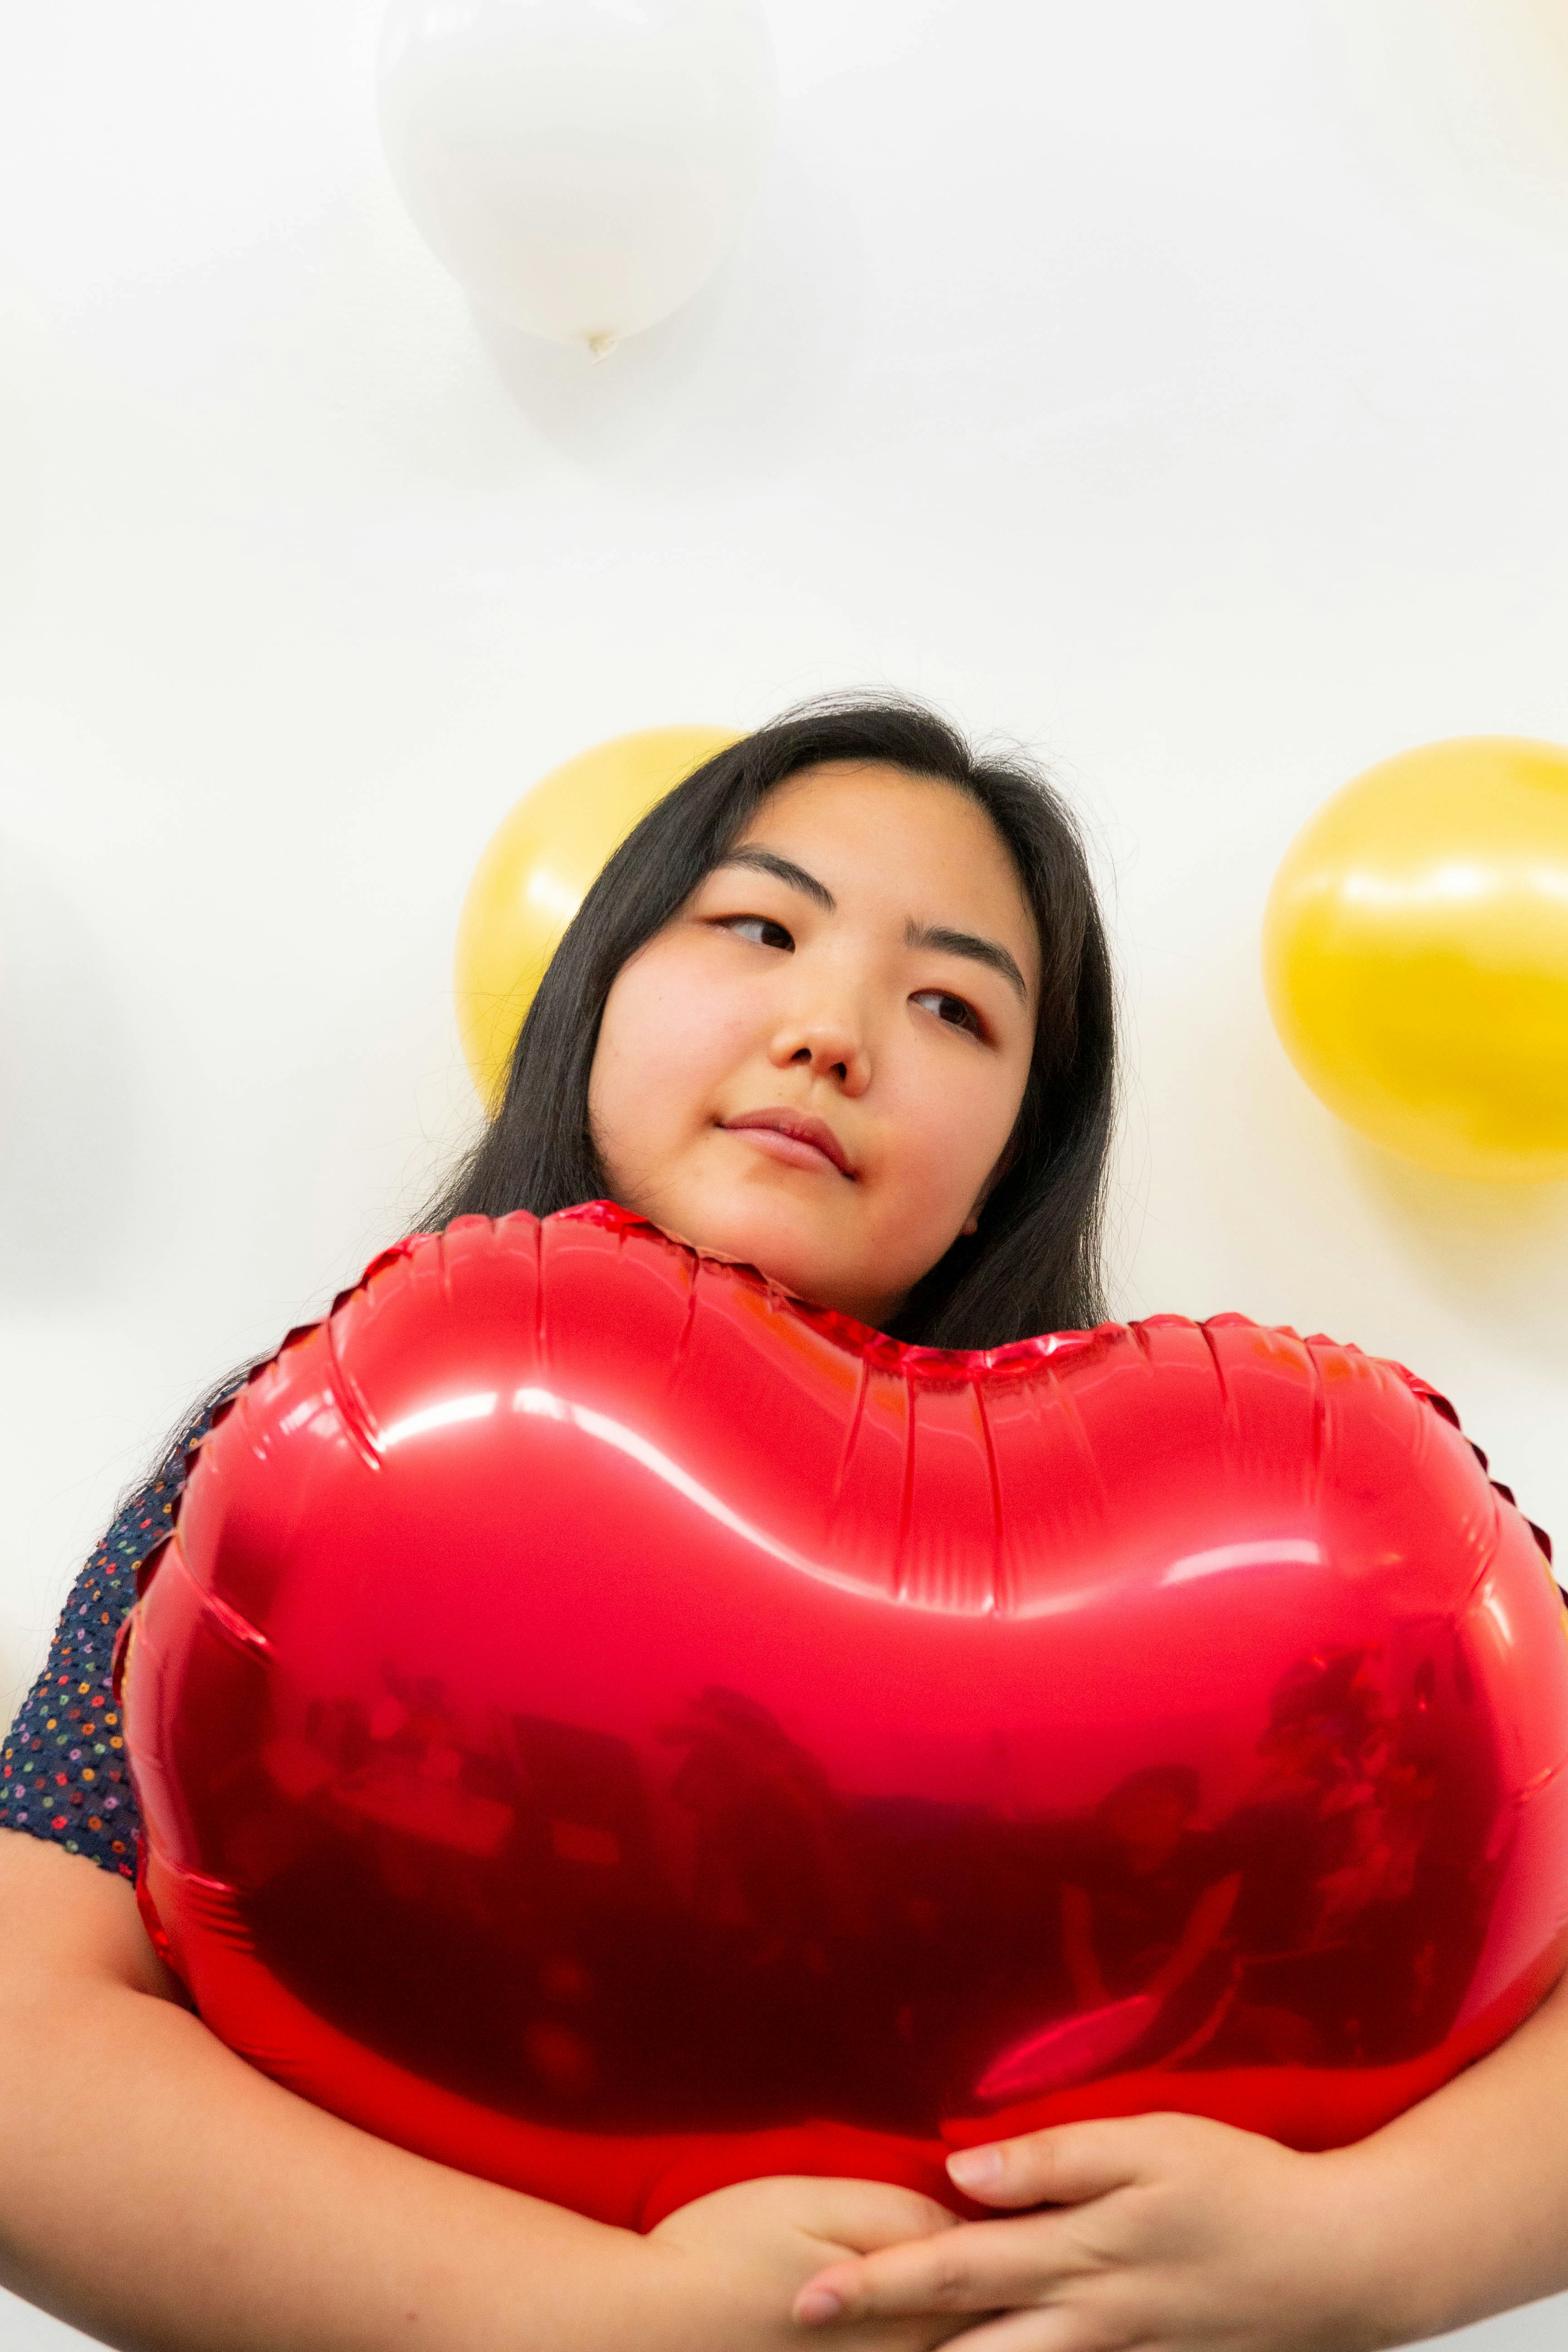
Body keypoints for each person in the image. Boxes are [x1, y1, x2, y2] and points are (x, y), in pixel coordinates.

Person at [0, 696, 1563, 2352]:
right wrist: (612, 2320)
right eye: (758, 926)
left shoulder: (1257, 1556)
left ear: (1008, 1162)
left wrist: (1363, 2247)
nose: (833, 1031)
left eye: (954, 1004)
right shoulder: (326, 1453)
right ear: (597, 987)